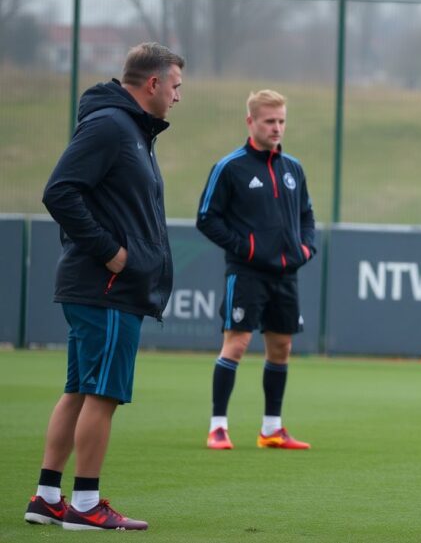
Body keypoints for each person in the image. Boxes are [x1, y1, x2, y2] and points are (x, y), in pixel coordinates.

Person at [25, 42, 184, 531]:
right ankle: (86, 505)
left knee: (78, 389)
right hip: (106, 286)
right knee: (102, 394)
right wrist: (112, 252)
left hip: (101, 287)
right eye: (176, 86)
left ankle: (48, 496)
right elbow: (59, 191)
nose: (179, 97)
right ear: (153, 83)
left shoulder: (128, 128)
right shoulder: (112, 126)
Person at [196, 90, 316, 451]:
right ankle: (218, 426)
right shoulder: (229, 167)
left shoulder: (293, 168)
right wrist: (246, 247)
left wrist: (306, 247)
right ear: (251, 122)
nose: (277, 127)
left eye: (281, 120)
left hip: (285, 274)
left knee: (281, 346)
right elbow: (207, 218)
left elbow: (307, 215)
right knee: (238, 343)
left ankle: (272, 429)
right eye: (269, 121)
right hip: (245, 273)